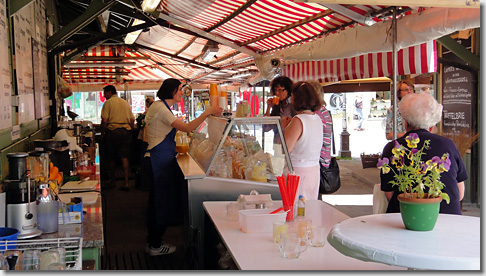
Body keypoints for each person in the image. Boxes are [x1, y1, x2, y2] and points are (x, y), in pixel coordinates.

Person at [143, 78, 222, 256]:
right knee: (159, 203)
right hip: (157, 160)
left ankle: (154, 242)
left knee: (158, 202)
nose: (182, 92)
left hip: (160, 158)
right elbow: (186, 128)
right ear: (171, 91)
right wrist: (208, 111)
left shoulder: (160, 106)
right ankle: (154, 245)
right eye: (180, 89)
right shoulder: (161, 108)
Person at [380, 92, 467, 215]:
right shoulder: (448, 145)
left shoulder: (393, 148)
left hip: (403, 217)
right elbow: (459, 193)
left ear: (406, 122)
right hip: (448, 217)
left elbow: (389, 194)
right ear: (432, 125)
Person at [281, 81, 323, 200]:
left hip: (297, 172)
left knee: (296, 209)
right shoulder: (317, 118)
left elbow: (285, 148)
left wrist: (284, 127)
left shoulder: (298, 120)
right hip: (314, 171)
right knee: (308, 209)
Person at [100, 85, 135, 191]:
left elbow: (105, 121)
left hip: (113, 132)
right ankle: (126, 183)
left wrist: (102, 134)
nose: (104, 95)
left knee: (111, 158)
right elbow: (132, 120)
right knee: (124, 157)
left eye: (105, 93)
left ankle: (113, 181)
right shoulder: (125, 103)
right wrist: (130, 131)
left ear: (110, 92)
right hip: (125, 132)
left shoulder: (108, 103)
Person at [309, 81, 333, 168]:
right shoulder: (323, 110)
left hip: (319, 160)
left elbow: (312, 137)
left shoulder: (317, 113)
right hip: (322, 158)